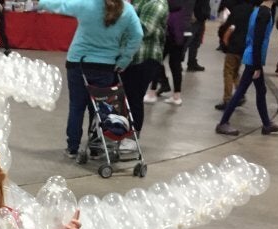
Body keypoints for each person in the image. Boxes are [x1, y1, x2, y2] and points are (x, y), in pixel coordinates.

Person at [36, 0, 143, 159]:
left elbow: (62, 5)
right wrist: (124, 60)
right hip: (106, 66)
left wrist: (42, 3)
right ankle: (95, 147)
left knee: (76, 107)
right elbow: (138, 35)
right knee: (100, 108)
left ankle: (72, 148)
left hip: (78, 62)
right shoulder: (127, 10)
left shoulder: (86, 4)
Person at [216, 0, 278, 135]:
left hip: (253, 56)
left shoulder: (258, 10)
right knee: (240, 92)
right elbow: (257, 40)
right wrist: (256, 65)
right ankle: (223, 123)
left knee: (261, 91)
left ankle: (267, 124)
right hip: (254, 58)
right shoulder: (264, 13)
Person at [120, 0, 169, 151]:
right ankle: (120, 133)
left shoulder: (157, 4)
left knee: (134, 97)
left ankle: (133, 137)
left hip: (145, 58)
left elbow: (144, 29)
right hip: (129, 58)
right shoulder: (136, 2)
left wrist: (118, 23)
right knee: (124, 98)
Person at [144, 0, 194, 106]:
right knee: (175, 64)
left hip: (170, 32)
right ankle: (176, 96)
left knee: (157, 61)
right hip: (184, 30)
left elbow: (168, 7)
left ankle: (151, 93)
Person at [214, 0, 255, 110]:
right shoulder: (253, 10)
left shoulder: (235, 9)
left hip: (233, 46)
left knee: (228, 72)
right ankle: (240, 94)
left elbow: (229, 27)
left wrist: (225, 41)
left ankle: (227, 99)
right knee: (236, 72)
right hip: (245, 47)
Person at [185, 0, 211, 70]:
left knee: (196, 42)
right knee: (186, 42)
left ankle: (192, 62)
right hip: (194, 19)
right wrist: (191, 13)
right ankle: (177, 63)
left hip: (201, 18)